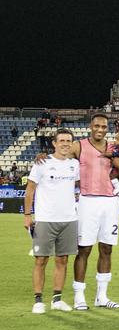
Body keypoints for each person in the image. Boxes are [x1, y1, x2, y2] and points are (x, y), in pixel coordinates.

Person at [71, 114, 119, 309]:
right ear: (90, 126)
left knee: (106, 249)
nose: (100, 129)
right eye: (97, 126)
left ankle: (101, 297)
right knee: (84, 249)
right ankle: (79, 296)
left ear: (108, 128)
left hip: (110, 202)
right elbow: (61, 158)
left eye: (104, 126)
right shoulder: (79, 146)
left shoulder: (114, 148)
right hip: (88, 201)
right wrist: (44, 156)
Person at [25, 128, 79, 314]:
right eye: (61, 140)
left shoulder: (74, 164)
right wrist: (27, 215)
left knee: (62, 260)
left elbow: (78, 187)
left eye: (68, 141)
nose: (65, 143)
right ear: (54, 143)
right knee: (41, 260)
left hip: (69, 219)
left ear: (72, 144)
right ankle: (38, 300)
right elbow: (30, 189)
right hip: (46, 219)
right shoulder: (42, 163)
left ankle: (57, 299)